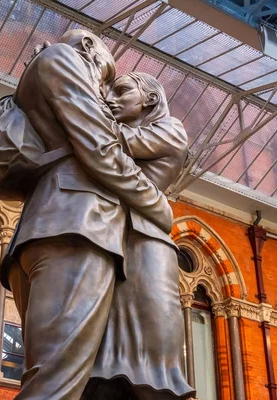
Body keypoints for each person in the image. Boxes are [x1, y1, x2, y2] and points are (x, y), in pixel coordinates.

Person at [0, 30, 174, 400]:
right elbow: (101, 151)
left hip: (42, 232)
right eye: (106, 78)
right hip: (78, 230)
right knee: (55, 385)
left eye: (114, 88)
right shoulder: (64, 60)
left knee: (52, 377)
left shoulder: (34, 79)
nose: (104, 92)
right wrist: (158, 205)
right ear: (90, 48)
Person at [81, 72, 195, 400]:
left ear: (151, 100)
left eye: (121, 91)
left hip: (146, 243)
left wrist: (72, 87)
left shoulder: (171, 129)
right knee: (108, 351)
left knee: (147, 353)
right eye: (108, 93)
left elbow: (111, 140)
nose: (110, 99)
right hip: (114, 237)